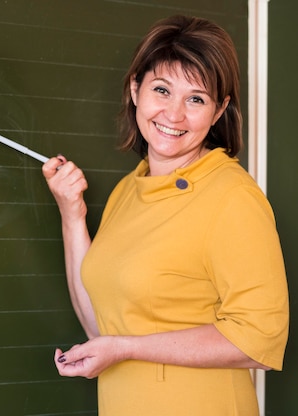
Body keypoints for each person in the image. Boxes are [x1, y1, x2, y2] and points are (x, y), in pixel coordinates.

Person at [42, 15, 289, 416]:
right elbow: (100, 327)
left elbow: (258, 341)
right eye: (162, 90)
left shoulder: (232, 196)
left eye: (196, 99)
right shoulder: (129, 189)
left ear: (218, 110)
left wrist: (127, 347)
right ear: (136, 89)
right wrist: (73, 215)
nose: (174, 115)